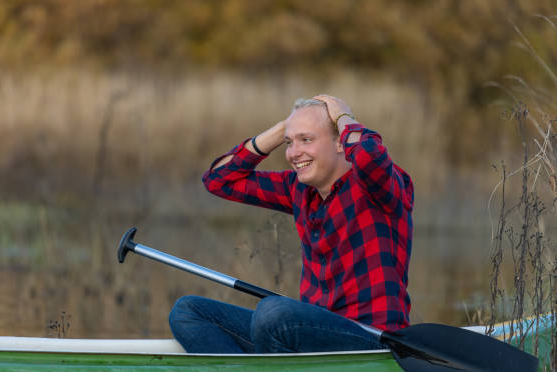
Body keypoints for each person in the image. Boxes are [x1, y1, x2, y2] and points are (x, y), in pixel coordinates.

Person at [169, 94, 414, 353]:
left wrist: (343, 117)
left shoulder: (379, 186)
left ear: (341, 143)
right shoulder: (297, 189)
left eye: (306, 140)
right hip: (308, 332)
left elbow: (368, 155)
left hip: (369, 339)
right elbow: (218, 179)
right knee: (188, 311)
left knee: (273, 312)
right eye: (289, 143)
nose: (294, 153)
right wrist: (284, 127)